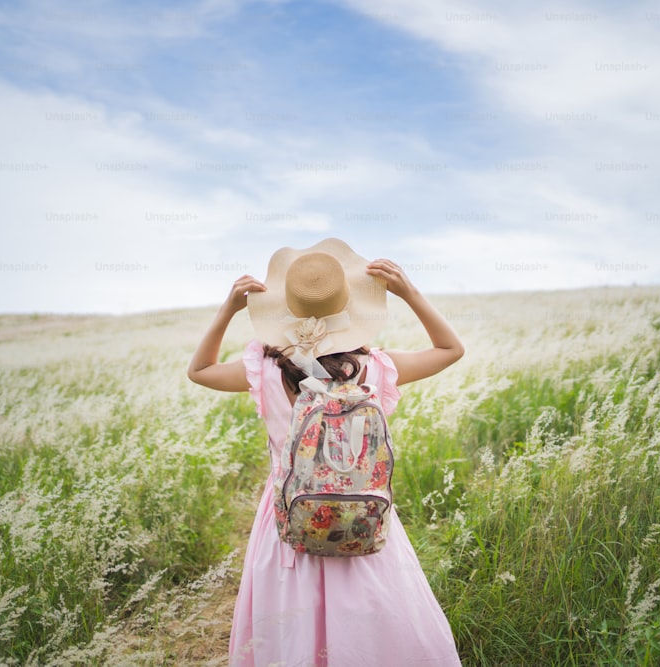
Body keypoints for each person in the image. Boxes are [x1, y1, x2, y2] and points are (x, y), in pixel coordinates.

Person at [187, 238, 464, 666]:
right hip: (359, 508)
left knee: (291, 620)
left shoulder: (264, 368)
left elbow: (199, 371)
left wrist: (228, 309)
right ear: (350, 310)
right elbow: (451, 349)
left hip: (291, 514)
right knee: (371, 611)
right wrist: (410, 292)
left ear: (285, 309)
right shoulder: (374, 369)